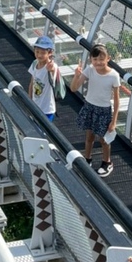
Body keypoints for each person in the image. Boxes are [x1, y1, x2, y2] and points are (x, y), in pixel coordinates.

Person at [70, 44, 121, 177]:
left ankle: (107, 162)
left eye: (101, 59)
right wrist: (76, 75)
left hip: (104, 110)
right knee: (89, 136)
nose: (98, 62)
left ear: (108, 59)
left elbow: (116, 100)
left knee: (104, 139)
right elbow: (74, 88)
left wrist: (114, 121)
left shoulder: (114, 76)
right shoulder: (90, 70)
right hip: (90, 106)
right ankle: (87, 159)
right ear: (91, 60)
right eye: (95, 59)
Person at [27, 35, 63, 121]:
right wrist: (29, 100)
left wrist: (51, 69)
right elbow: (32, 82)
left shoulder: (52, 66)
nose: (39, 55)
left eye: (43, 53)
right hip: (35, 105)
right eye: (37, 52)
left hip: (47, 109)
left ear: (50, 53)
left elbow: (53, 70)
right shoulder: (35, 63)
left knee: (42, 132)